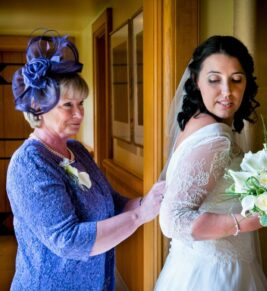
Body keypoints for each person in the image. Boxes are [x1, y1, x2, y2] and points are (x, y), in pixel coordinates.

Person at [7, 33, 165, 291]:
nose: (79, 113)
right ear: (37, 106)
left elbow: (114, 203)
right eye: (67, 105)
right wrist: (138, 216)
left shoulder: (76, 151)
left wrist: (152, 200)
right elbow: (68, 241)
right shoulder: (29, 164)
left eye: (81, 103)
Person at [154, 35, 267, 291]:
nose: (227, 91)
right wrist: (248, 220)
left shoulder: (200, 124)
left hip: (196, 268)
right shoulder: (215, 138)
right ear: (196, 82)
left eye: (236, 80)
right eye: (214, 80)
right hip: (214, 276)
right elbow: (172, 220)